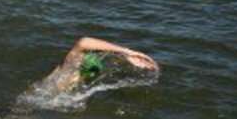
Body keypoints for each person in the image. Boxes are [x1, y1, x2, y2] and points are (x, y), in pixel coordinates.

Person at [28, 36, 158, 96]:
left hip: (45, 98)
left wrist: (127, 58)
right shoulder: (69, 69)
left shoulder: (75, 77)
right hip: (38, 98)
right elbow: (84, 42)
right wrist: (127, 51)